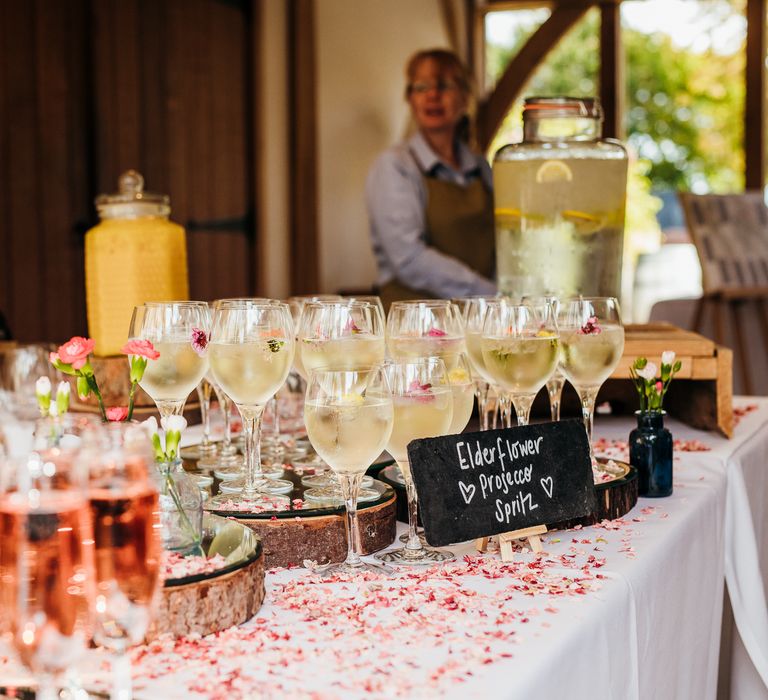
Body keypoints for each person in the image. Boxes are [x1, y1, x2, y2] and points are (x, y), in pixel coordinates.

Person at [366, 48, 496, 308]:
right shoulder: (395, 166)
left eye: (444, 85)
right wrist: (491, 295)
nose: (432, 95)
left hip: (478, 319)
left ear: (464, 97)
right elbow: (408, 258)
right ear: (410, 99)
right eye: (421, 87)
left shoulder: (481, 167)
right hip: (415, 324)